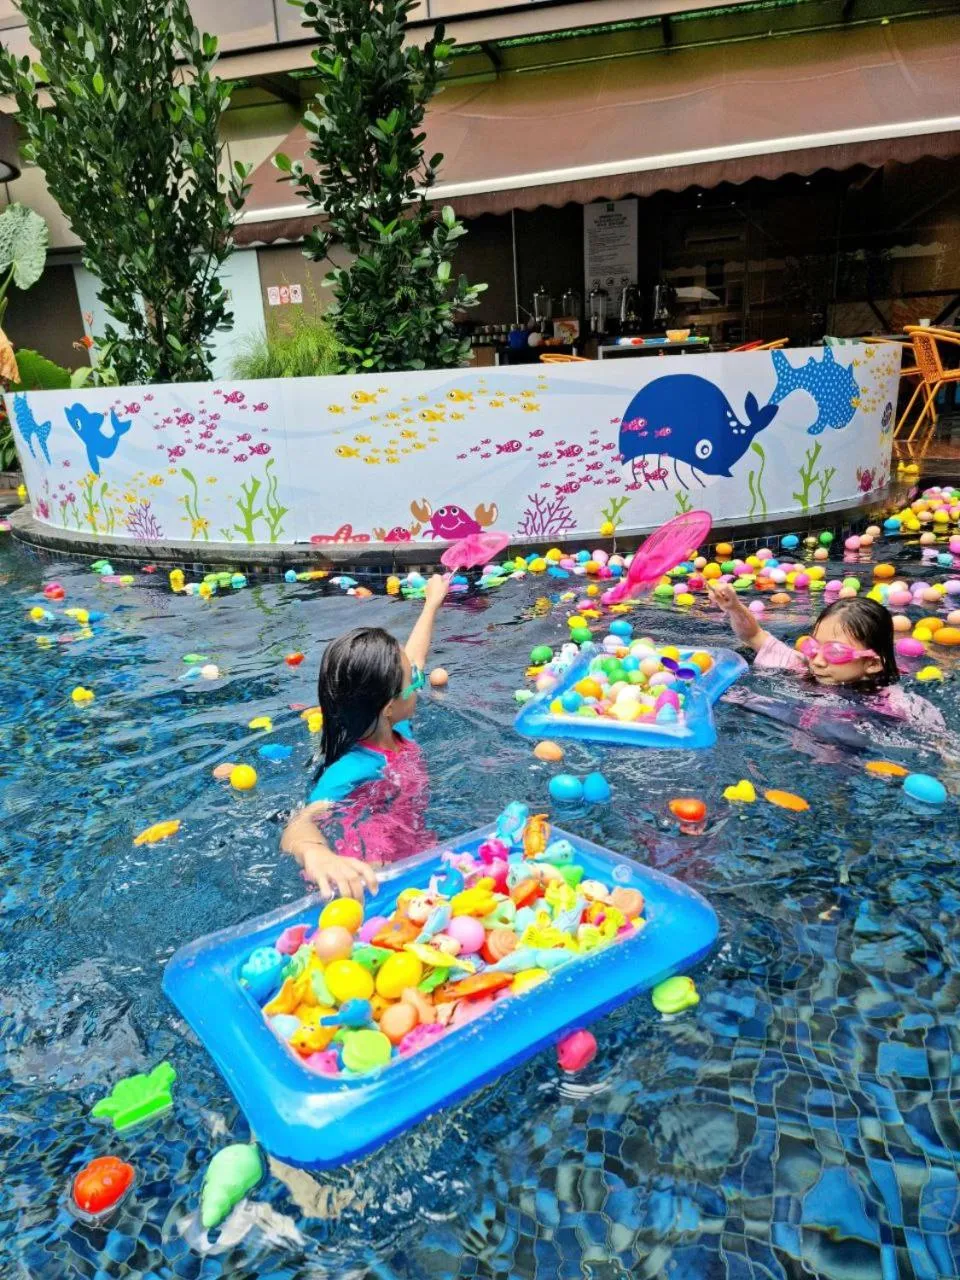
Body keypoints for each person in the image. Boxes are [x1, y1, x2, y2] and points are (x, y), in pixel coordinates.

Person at [280, 574, 448, 898]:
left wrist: (431, 604)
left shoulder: (398, 728)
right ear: (388, 706)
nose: (418, 677)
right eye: (412, 679)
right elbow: (300, 823)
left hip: (417, 848)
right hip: (371, 872)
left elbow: (415, 657)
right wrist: (317, 854)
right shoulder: (352, 769)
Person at [709, 583, 944, 731]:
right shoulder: (799, 666)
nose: (818, 660)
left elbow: (939, 739)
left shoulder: (892, 702)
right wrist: (734, 607)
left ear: (872, 663)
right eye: (813, 647)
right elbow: (754, 636)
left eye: (835, 652)